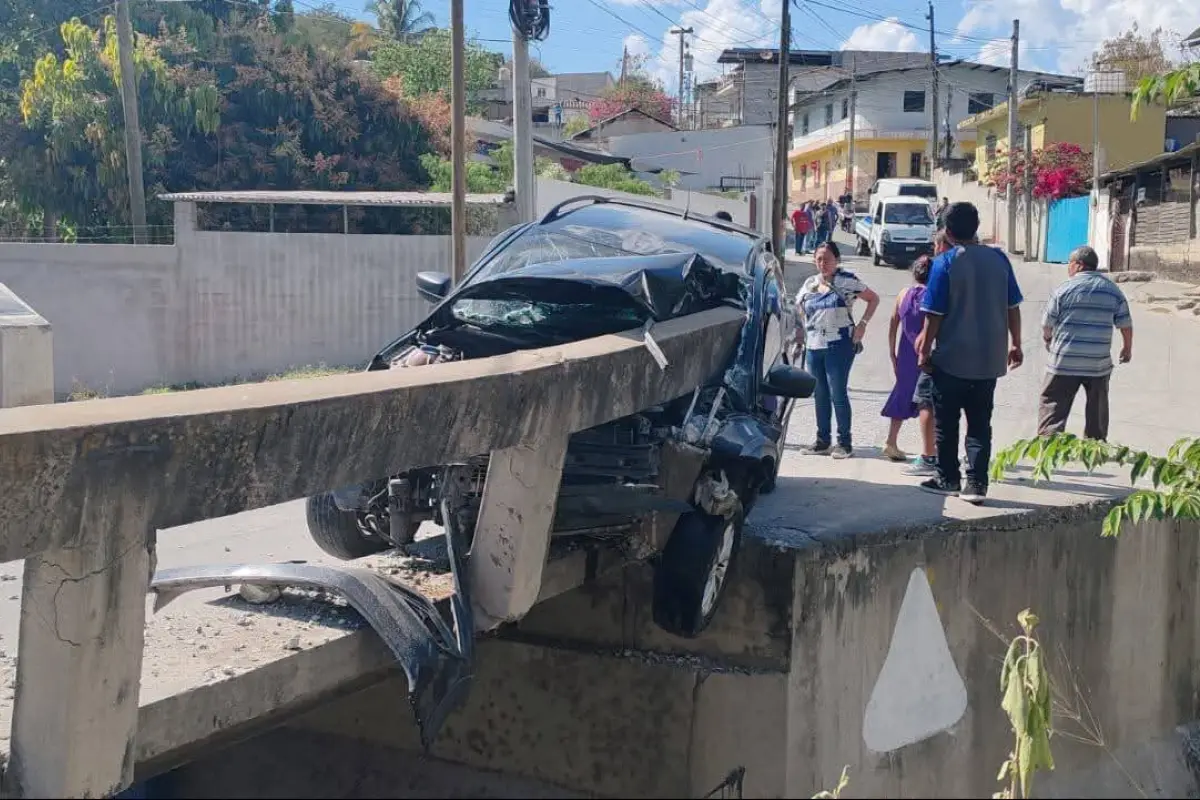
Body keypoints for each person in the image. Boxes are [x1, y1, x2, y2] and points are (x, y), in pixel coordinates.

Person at [916, 202, 1024, 504]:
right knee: (980, 424)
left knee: (947, 423)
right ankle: (977, 484)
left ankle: (948, 478)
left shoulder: (945, 263)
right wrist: (1016, 343)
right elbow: (1012, 306)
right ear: (976, 227)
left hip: (952, 359)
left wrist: (924, 350)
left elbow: (934, 314)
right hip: (989, 360)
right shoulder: (999, 260)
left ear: (947, 232)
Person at [1038, 244, 1133, 442]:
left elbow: (1047, 324)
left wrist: (1048, 339)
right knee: (1097, 411)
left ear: (1079, 265)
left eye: (1070, 263)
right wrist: (1127, 348)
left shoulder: (1064, 289)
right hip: (1097, 364)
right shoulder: (1112, 290)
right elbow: (1125, 323)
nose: (1068, 267)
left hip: (1064, 361)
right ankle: (1095, 447)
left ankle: (1048, 445)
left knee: (1052, 406)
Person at [796, 241, 881, 459]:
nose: (823, 263)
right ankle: (822, 441)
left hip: (839, 345)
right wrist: (800, 332)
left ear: (837, 260)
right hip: (814, 345)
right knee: (820, 394)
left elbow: (873, 299)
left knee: (838, 393)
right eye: (819, 259)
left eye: (827, 259)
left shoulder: (847, 281)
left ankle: (844, 443)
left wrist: (862, 324)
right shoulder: (810, 284)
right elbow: (799, 308)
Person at [881, 255, 933, 462]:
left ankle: (891, 441)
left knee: (903, 394)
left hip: (905, 353)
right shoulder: (934, 295)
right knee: (929, 401)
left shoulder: (903, 294)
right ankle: (930, 449)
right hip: (927, 354)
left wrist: (892, 353)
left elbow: (893, 323)